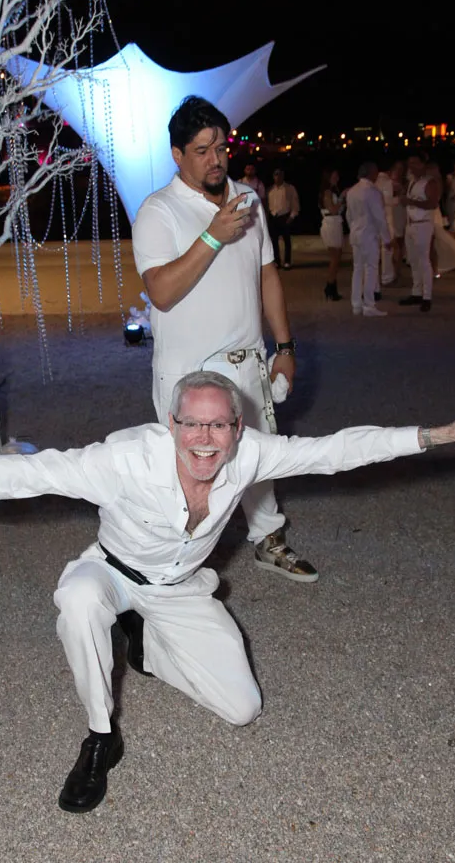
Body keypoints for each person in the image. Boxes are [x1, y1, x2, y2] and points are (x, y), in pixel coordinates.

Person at [0, 375, 455, 814]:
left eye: (219, 425)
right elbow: (22, 476)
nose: (205, 439)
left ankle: (147, 646)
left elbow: (338, 449)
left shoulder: (252, 454)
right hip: (110, 570)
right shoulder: (124, 459)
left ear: (237, 428)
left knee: (242, 709)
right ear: (170, 423)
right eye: (192, 424)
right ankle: (101, 738)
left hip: (178, 587)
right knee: (80, 603)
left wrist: (442, 433)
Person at [131, 96, 317, 586]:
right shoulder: (158, 211)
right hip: (189, 371)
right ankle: (172, 565)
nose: (215, 160)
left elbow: (267, 274)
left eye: (220, 148)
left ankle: (268, 538)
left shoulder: (247, 198)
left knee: (260, 454)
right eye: (201, 151)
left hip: (248, 359)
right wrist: (213, 235)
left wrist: (285, 347)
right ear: (177, 155)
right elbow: (161, 292)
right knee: (187, 468)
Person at [345, 162, 391, 317]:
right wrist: (386, 238)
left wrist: (353, 229)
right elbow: (380, 218)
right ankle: (369, 304)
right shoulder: (372, 192)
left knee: (357, 269)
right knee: (371, 269)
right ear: (371, 173)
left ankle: (356, 304)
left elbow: (349, 215)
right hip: (369, 234)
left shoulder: (352, 191)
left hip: (356, 234)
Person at [399, 152, 441, 313]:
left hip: (423, 225)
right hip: (411, 224)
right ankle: (416, 292)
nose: (412, 167)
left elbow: (432, 203)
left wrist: (411, 202)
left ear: (423, 164)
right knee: (413, 259)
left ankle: (427, 296)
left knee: (424, 260)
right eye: (410, 163)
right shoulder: (412, 181)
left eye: (415, 163)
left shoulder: (429, 182)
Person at [427, 161, 455, 276]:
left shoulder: (436, 183)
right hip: (432, 213)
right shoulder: (433, 182)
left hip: (432, 214)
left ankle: (435, 268)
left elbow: (435, 200)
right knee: (434, 242)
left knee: (435, 242)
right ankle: (434, 268)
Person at [319, 168, 345, 300]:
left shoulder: (333, 190)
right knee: (335, 258)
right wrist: (342, 199)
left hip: (335, 222)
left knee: (336, 258)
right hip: (331, 223)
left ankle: (332, 286)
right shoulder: (327, 192)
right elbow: (333, 209)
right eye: (334, 176)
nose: (337, 178)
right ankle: (330, 286)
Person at [266, 167, 300, 269]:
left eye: (280, 174)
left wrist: (292, 216)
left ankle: (287, 261)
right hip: (273, 217)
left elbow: (295, 203)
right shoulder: (270, 190)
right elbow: (267, 204)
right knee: (274, 241)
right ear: (273, 176)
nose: (278, 177)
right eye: (276, 174)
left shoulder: (289, 188)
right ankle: (277, 261)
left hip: (284, 216)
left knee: (287, 241)